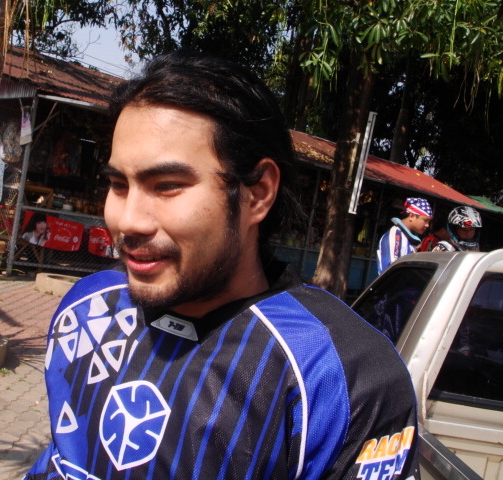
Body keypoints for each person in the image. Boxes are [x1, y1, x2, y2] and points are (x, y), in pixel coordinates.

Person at [25, 51, 420, 480]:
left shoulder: (342, 375)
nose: (128, 220)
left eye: (167, 186)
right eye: (119, 184)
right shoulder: (87, 310)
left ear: (257, 193)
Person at [377, 197, 433, 274]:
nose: (427, 225)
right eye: (425, 220)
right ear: (412, 216)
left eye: (429, 221)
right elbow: (391, 271)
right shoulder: (395, 236)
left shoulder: (409, 238)